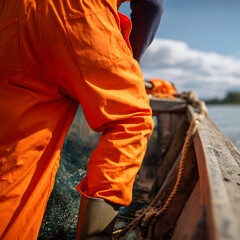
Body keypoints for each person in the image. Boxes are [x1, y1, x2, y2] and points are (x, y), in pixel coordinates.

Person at [0, 0, 163, 239]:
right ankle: (94, 236)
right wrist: (131, 63)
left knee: (17, 150)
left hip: (12, 24)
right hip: (80, 16)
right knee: (130, 120)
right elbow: (151, 4)